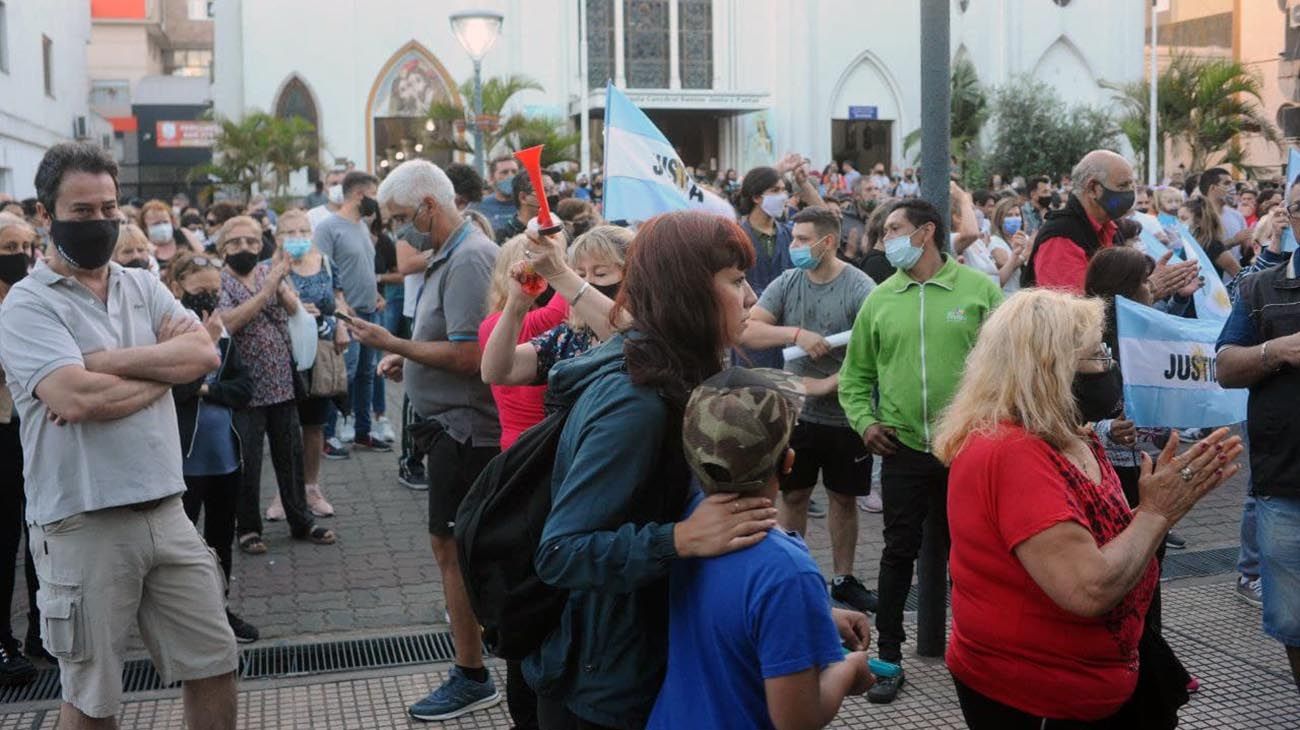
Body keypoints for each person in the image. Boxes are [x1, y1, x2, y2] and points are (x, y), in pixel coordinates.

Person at [0, 142, 238, 727]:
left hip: (167, 511)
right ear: (45, 214)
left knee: (215, 663)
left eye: (109, 208)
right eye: (82, 212)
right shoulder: (27, 307)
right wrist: (164, 369)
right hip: (83, 523)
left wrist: (101, 362)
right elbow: (76, 399)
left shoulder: (141, 286)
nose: (100, 222)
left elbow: (204, 351)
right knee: (93, 696)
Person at [520, 210, 784, 729]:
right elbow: (560, 552)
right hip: (609, 691)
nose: (751, 297)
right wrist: (679, 539)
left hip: (657, 666)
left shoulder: (682, 370)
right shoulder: (636, 402)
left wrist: (788, 616)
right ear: (689, 292)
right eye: (735, 281)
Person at [935, 288, 1240, 727]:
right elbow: (1087, 587)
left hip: (1097, 683)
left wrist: (1163, 504)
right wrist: (1155, 514)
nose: (1109, 367)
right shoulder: (1010, 452)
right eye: (1097, 355)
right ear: (1049, 369)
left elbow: (1104, 540)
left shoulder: (1076, 437)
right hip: (1036, 697)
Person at [838, 198, 1003, 704]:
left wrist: (992, 426)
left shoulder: (980, 291)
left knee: (974, 554)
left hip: (968, 449)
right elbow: (854, 377)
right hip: (904, 449)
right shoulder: (881, 298)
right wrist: (866, 424)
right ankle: (888, 657)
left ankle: (982, 654)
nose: (884, 240)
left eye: (894, 229)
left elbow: (1005, 368)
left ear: (927, 231)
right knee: (897, 552)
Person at [646, 367, 876, 730]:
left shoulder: (687, 525)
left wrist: (815, 614)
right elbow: (796, 720)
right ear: (789, 462)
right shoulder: (786, 570)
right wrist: (849, 670)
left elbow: (730, 615)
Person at [355, 159, 503, 722]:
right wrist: (406, 356)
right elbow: (450, 341)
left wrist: (393, 341)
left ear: (429, 207)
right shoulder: (452, 254)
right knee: (453, 548)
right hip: (451, 427)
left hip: (467, 432)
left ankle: (471, 673)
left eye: (399, 219)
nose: (396, 232)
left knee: (455, 549)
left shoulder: (469, 259)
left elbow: (471, 357)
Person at [738, 206, 879, 613]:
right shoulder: (788, 281)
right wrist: (796, 333)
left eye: (802, 239)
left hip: (844, 414)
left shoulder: (859, 286)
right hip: (797, 412)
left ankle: (844, 579)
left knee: (843, 498)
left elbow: (876, 344)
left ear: (828, 241)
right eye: (793, 237)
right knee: (793, 493)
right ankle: (792, 573)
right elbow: (749, 328)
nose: (794, 246)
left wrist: (833, 383)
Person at [216, 215, 337, 555]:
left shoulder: (269, 273)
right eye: (236, 242)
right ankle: (248, 529)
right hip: (245, 389)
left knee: (291, 456)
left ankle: (300, 519)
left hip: (282, 382)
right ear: (223, 248)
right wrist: (268, 289)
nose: (245, 248)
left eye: (252, 242)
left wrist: (281, 285)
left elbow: (295, 312)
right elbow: (229, 323)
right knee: (248, 462)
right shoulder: (219, 281)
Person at [1215, 219, 1300, 695]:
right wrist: (1275, 350)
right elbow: (1224, 366)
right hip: (1285, 483)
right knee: (1292, 618)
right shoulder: (1260, 287)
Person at [164, 251, 260, 644]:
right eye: (199, 290)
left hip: (224, 458)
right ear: (177, 288)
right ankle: (183, 623)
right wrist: (203, 355)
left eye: (215, 292)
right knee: (180, 548)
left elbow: (244, 388)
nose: (208, 299)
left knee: (221, 539)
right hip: (184, 462)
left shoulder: (225, 335)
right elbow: (176, 390)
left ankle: (220, 609)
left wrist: (209, 388)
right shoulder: (164, 334)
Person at [481, 225, 628, 391]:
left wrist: (559, 274)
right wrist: (517, 304)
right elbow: (495, 372)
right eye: (579, 275)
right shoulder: (571, 337)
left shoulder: (647, 330)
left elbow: (625, 338)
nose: (587, 282)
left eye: (601, 273)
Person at [0, 214, 49, 686]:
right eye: (7, 246)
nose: (18, 255)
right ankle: (2, 641)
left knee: (40, 533)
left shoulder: (34, 297)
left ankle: (42, 632)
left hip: (34, 429)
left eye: (25, 246)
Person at [314, 171, 391, 452]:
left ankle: (363, 431)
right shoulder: (328, 228)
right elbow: (321, 272)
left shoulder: (361, 225)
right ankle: (327, 435)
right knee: (343, 374)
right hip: (347, 314)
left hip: (370, 310)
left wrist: (377, 294)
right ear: (360, 194)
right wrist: (340, 311)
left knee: (366, 373)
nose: (377, 201)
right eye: (375, 194)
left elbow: (363, 268)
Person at [283, 209, 349, 515]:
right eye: (289, 232)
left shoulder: (325, 262)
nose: (297, 238)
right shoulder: (271, 269)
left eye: (302, 231)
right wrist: (293, 311)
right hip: (283, 356)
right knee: (285, 427)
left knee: (313, 425)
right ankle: (285, 493)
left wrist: (342, 324)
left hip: (319, 354)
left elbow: (338, 299)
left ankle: (311, 487)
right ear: (277, 237)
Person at [476, 234, 570, 449]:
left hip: (511, 440)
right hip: (541, 443)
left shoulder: (489, 324)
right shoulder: (540, 320)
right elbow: (568, 297)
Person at [1022, 151, 1135, 293]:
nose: (1130, 193)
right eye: (1123, 186)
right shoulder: (1061, 237)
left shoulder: (1110, 227)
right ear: (1093, 188)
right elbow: (1074, 309)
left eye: (1131, 185)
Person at [496, 169, 557, 244]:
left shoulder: (559, 228)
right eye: (544, 190)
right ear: (523, 198)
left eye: (553, 189)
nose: (552, 195)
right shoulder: (506, 235)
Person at [982, 197, 1029, 294]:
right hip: (1007, 296)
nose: (1014, 218)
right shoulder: (994, 241)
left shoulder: (1026, 238)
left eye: (1017, 215)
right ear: (1000, 220)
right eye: (1009, 215)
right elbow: (1004, 262)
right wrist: (1025, 255)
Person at [140, 199, 200, 269]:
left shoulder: (183, 234)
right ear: (145, 227)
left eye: (165, 222)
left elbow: (203, 255)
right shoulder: (142, 245)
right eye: (156, 224)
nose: (162, 227)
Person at [1202, 167, 1250, 255]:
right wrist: (1233, 241)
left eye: (1232, 184)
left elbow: (1245, 249)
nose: (1232, 188)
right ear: (1213, 188)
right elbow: (1202, 250)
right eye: (1227, 183)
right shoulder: (1199, 216)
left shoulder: (1237, 216)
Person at [477, 156, 521, 236]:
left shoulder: (528, 204)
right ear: (491, 178)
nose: (511, 176)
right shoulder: (479, 206)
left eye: (514, 172)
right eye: (504, 172)